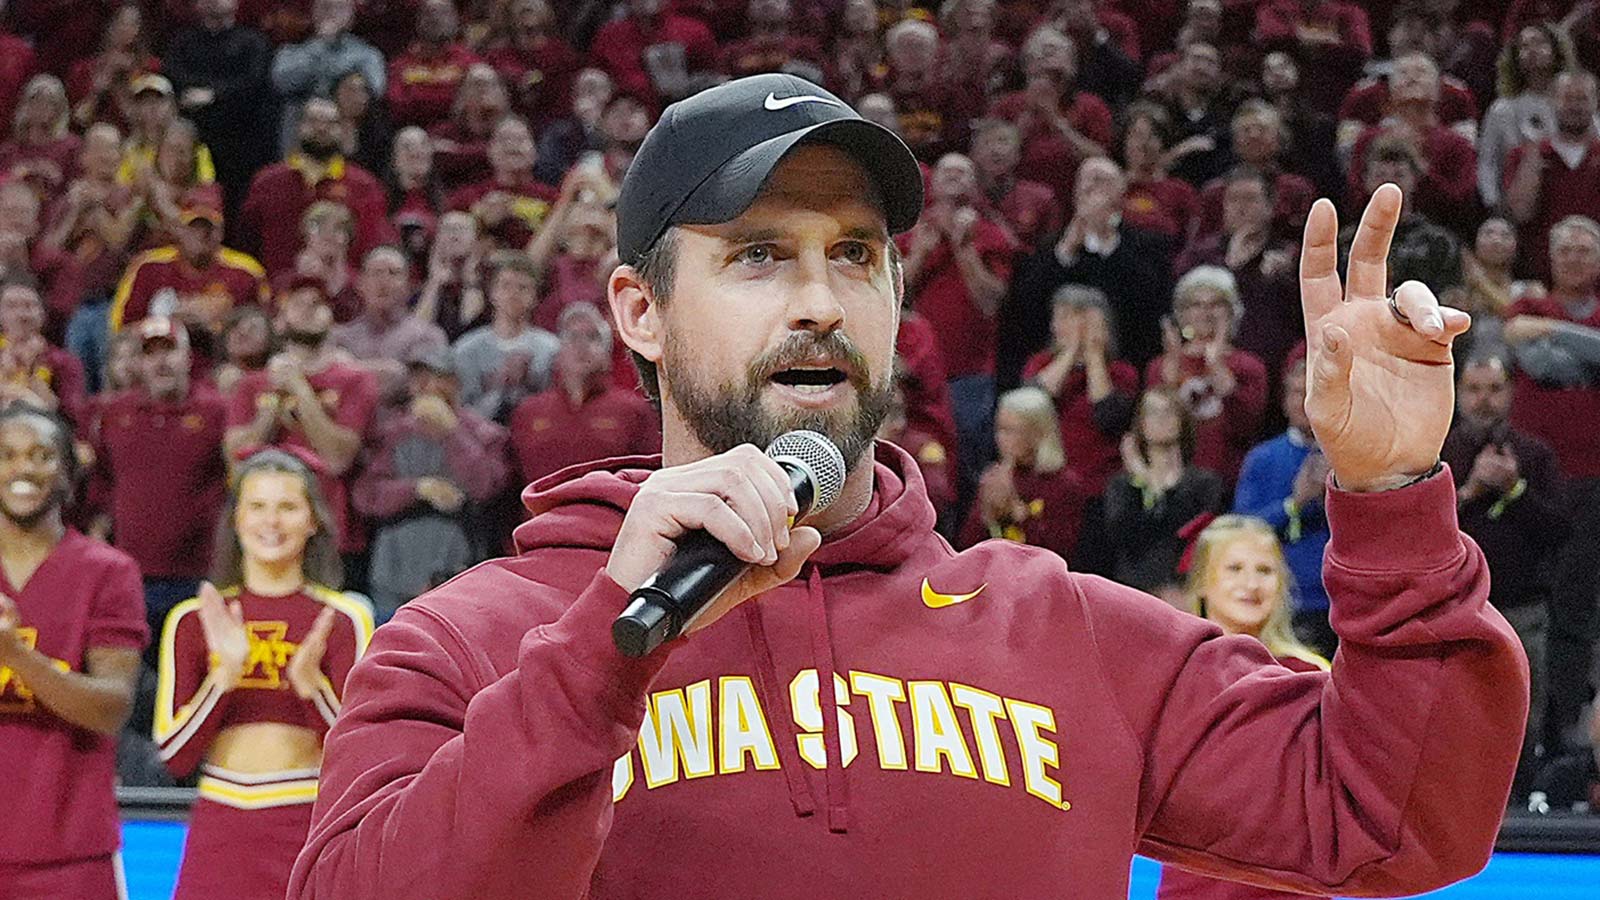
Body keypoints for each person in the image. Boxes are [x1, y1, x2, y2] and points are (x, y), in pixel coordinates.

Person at [290, 73, 1527, 900]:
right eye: (759, 256)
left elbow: (1395, 814)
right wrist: (597, 660)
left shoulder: (1061, 627)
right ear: (641, 310)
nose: (822, 299)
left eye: (857, 257)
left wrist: (1392, 488)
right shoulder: (469, 642)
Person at [154, 448, 373, 900]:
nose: (271, 521)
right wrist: (224, 677)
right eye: (257, 506)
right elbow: (175, 756)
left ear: (313, 521)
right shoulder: (194, 619)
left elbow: (362, 759)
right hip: (221, 824)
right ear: (235, 519)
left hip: (307, 822)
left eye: (288, 507)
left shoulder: (344, 617)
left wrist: (313, 690)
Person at [0, 403, 144, 899]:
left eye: (41, 455)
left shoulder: (108, 572)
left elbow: (110, 708)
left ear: (66, 472)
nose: (22, 469)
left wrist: (16, 655)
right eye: (7, 455)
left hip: (70, 853)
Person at [1154, 515, 1329, 900]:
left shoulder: (1309, 675)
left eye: (1264, 570)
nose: (1250, 584)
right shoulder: (1171, 670)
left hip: (1287, 879)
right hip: (1194, 878)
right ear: (1201, 581)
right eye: (1234, 568)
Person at [1441, 351, 1567, 799]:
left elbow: (1559, 530)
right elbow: (1421, 529)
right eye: (1474, 390)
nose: (1484, 401)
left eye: (1494, 390)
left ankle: (1515, 814)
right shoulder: (1440, 453)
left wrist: (1515, 490)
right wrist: (1472, 489)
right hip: (1453, 613)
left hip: (1524, 611)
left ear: (1511, 394)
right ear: (1458, 394)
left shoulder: (1535, 455)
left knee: (1522, 719)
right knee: (1456, 718)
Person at [92, 318, 229, 664]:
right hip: (129, 576)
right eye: (150, 354)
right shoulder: (113, 413)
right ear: (138, 363)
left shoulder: (216, 411)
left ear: (187, 357)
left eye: (170, 351)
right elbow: (101, 483)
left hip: (198, 576)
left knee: (192, 672)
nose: (161, 362)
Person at [224, 279, 379, 557]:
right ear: (279, 321)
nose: (309, 308)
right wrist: (271, 407)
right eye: (298, 303)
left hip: (330, 531)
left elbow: (337, 459)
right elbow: (237, 462)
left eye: (318, 303)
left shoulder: (356, 381)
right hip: (263, 530)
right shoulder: (250, 386)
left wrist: (300, 388)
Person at [354, 348, 508, 622]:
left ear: (455, 383)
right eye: (417, 379)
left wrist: (452, 433)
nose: (424, 387)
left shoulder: (485, 433)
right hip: (393, 574)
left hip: (460, 574)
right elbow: (366, 496)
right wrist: (417, 489)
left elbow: (486, 486)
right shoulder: (392, 433)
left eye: (435, 377)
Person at [1233, 348, 1334, 656]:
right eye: (1296, 393)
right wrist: (1295, 503)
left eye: (1313, 393)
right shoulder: (1262, 459)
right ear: (1284, 401)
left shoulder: (1354, 460)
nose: (1304, 403)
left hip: (1339, 604)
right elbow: (1241, 532)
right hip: (1281, 605)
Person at [239, 97, 396, 279]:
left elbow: (373, 245)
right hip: (277, 292)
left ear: (342, 129)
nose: (321, 128)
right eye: (313, 121)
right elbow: (246, 243)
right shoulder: (267, 182)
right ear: (299, 126)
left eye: (330, 123)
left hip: (343, 295)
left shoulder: (364, 185)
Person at [509, 303, 659, 487]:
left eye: (592, 337)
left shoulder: (633, 410)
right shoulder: (528, 412)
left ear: (608, 354)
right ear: (559, 353)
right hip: (540, 514)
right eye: (572, 337)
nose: (581, 345)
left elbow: (651, 477)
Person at [1147, 266, 1270, 488]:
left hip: (1230, 480)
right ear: (1181, 313)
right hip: (1174, 480)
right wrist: (1172, 371)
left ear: (1232, 311)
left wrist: (1216, 366)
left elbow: (1246, 425)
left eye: (1216, 304)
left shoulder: (1249, 366)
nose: (1205, 312)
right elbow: (1154, 425)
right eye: (1196, 304)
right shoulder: (1161, 366)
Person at [960, 386, 1087, 561]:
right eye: (998, 429)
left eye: (1009, 430)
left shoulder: (1064, 485)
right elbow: (966, 546)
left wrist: (1017, 514)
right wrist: (987, 513)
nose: (1000, 439)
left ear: (1038, 434)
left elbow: (1058, 554)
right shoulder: (995, 478)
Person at [452, 251, 559, 423]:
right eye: (505, 285)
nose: (513, 293)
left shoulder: (551, 348)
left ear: (535, 297)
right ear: (492, 293)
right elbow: (462, 411)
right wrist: (500, 384)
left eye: (523, 287)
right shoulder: (466, 349)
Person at [331, 246, 448, 402]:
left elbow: (419, 387)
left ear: (408, 286)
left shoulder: (428, 336)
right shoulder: (340, 337)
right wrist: (389, 371)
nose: (384, 281)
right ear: (360, 284)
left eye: (394, 273)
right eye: (376, 273)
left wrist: (350, 369)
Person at [270, 0, 386, 154]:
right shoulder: (292, 51)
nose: (331, 13)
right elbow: (282, 82)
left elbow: (376, 89)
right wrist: (321, 46)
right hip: (300, 133)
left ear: (351, 16)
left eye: (339, 7)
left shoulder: (367, 54)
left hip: (347, 133)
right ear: (313, 13)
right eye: (324, 7)